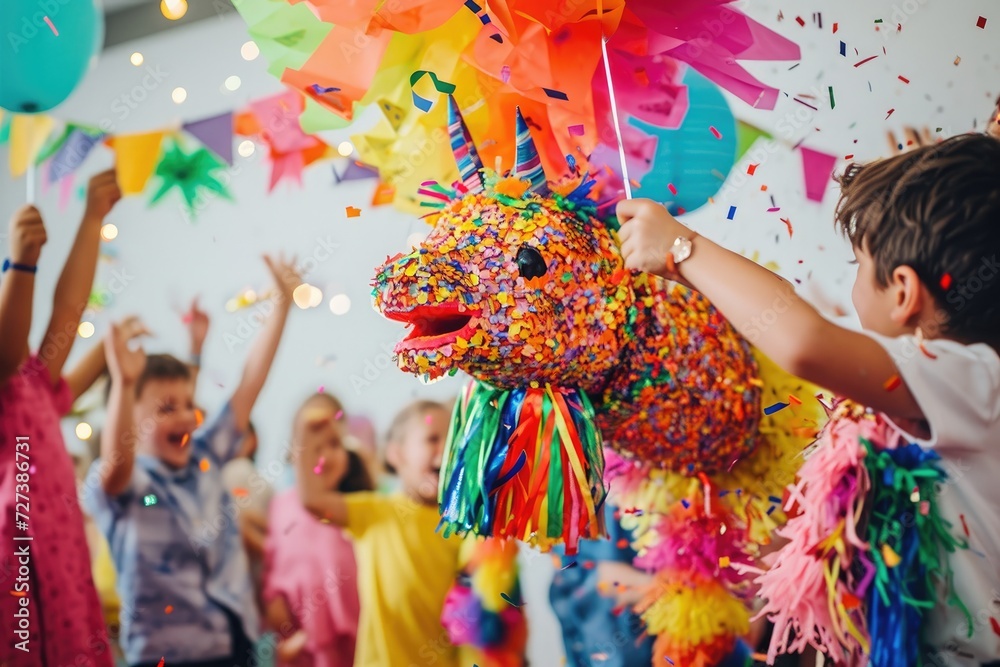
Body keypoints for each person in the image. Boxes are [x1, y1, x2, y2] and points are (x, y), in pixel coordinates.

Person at [616, 133, 1000, 666]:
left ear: (905, 293)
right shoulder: (933, 393)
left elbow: (804, 340)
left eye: (860, 266)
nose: (853, 287)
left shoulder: (976, 379)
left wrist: (682, 249)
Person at [82, 254, 302, 667]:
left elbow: (248, 385)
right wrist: (126, 384)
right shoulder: (130, 488)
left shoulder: (204, 456)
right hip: (166, 655)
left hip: (236, 644)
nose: (185, 415)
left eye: (188, 404)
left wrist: (282, 305)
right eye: (167, 408)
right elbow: (114, 467)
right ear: (128, 416)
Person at [0, 170, 121, 667]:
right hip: (16, 563)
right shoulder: (9, 379)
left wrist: (92, 219)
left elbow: (69, 310)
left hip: (63, 560)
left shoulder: (34, 385)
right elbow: (4, 354)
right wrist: (20, 266)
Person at [299, 399, 464, 667]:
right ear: (396, 455)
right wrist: (304, 434)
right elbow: (313, 500)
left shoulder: (465, 527)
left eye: (454, 438)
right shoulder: (374, 512)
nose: (446, 449)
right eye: (432, 438)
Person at [263, 392, 374, 666]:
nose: (324, 456)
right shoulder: (281, 506)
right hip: (303, 649)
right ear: (294, 451)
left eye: (334, 444)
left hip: (359, 647)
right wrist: (290, 635)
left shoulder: (358, 505)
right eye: (313, 445)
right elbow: (273, 580)